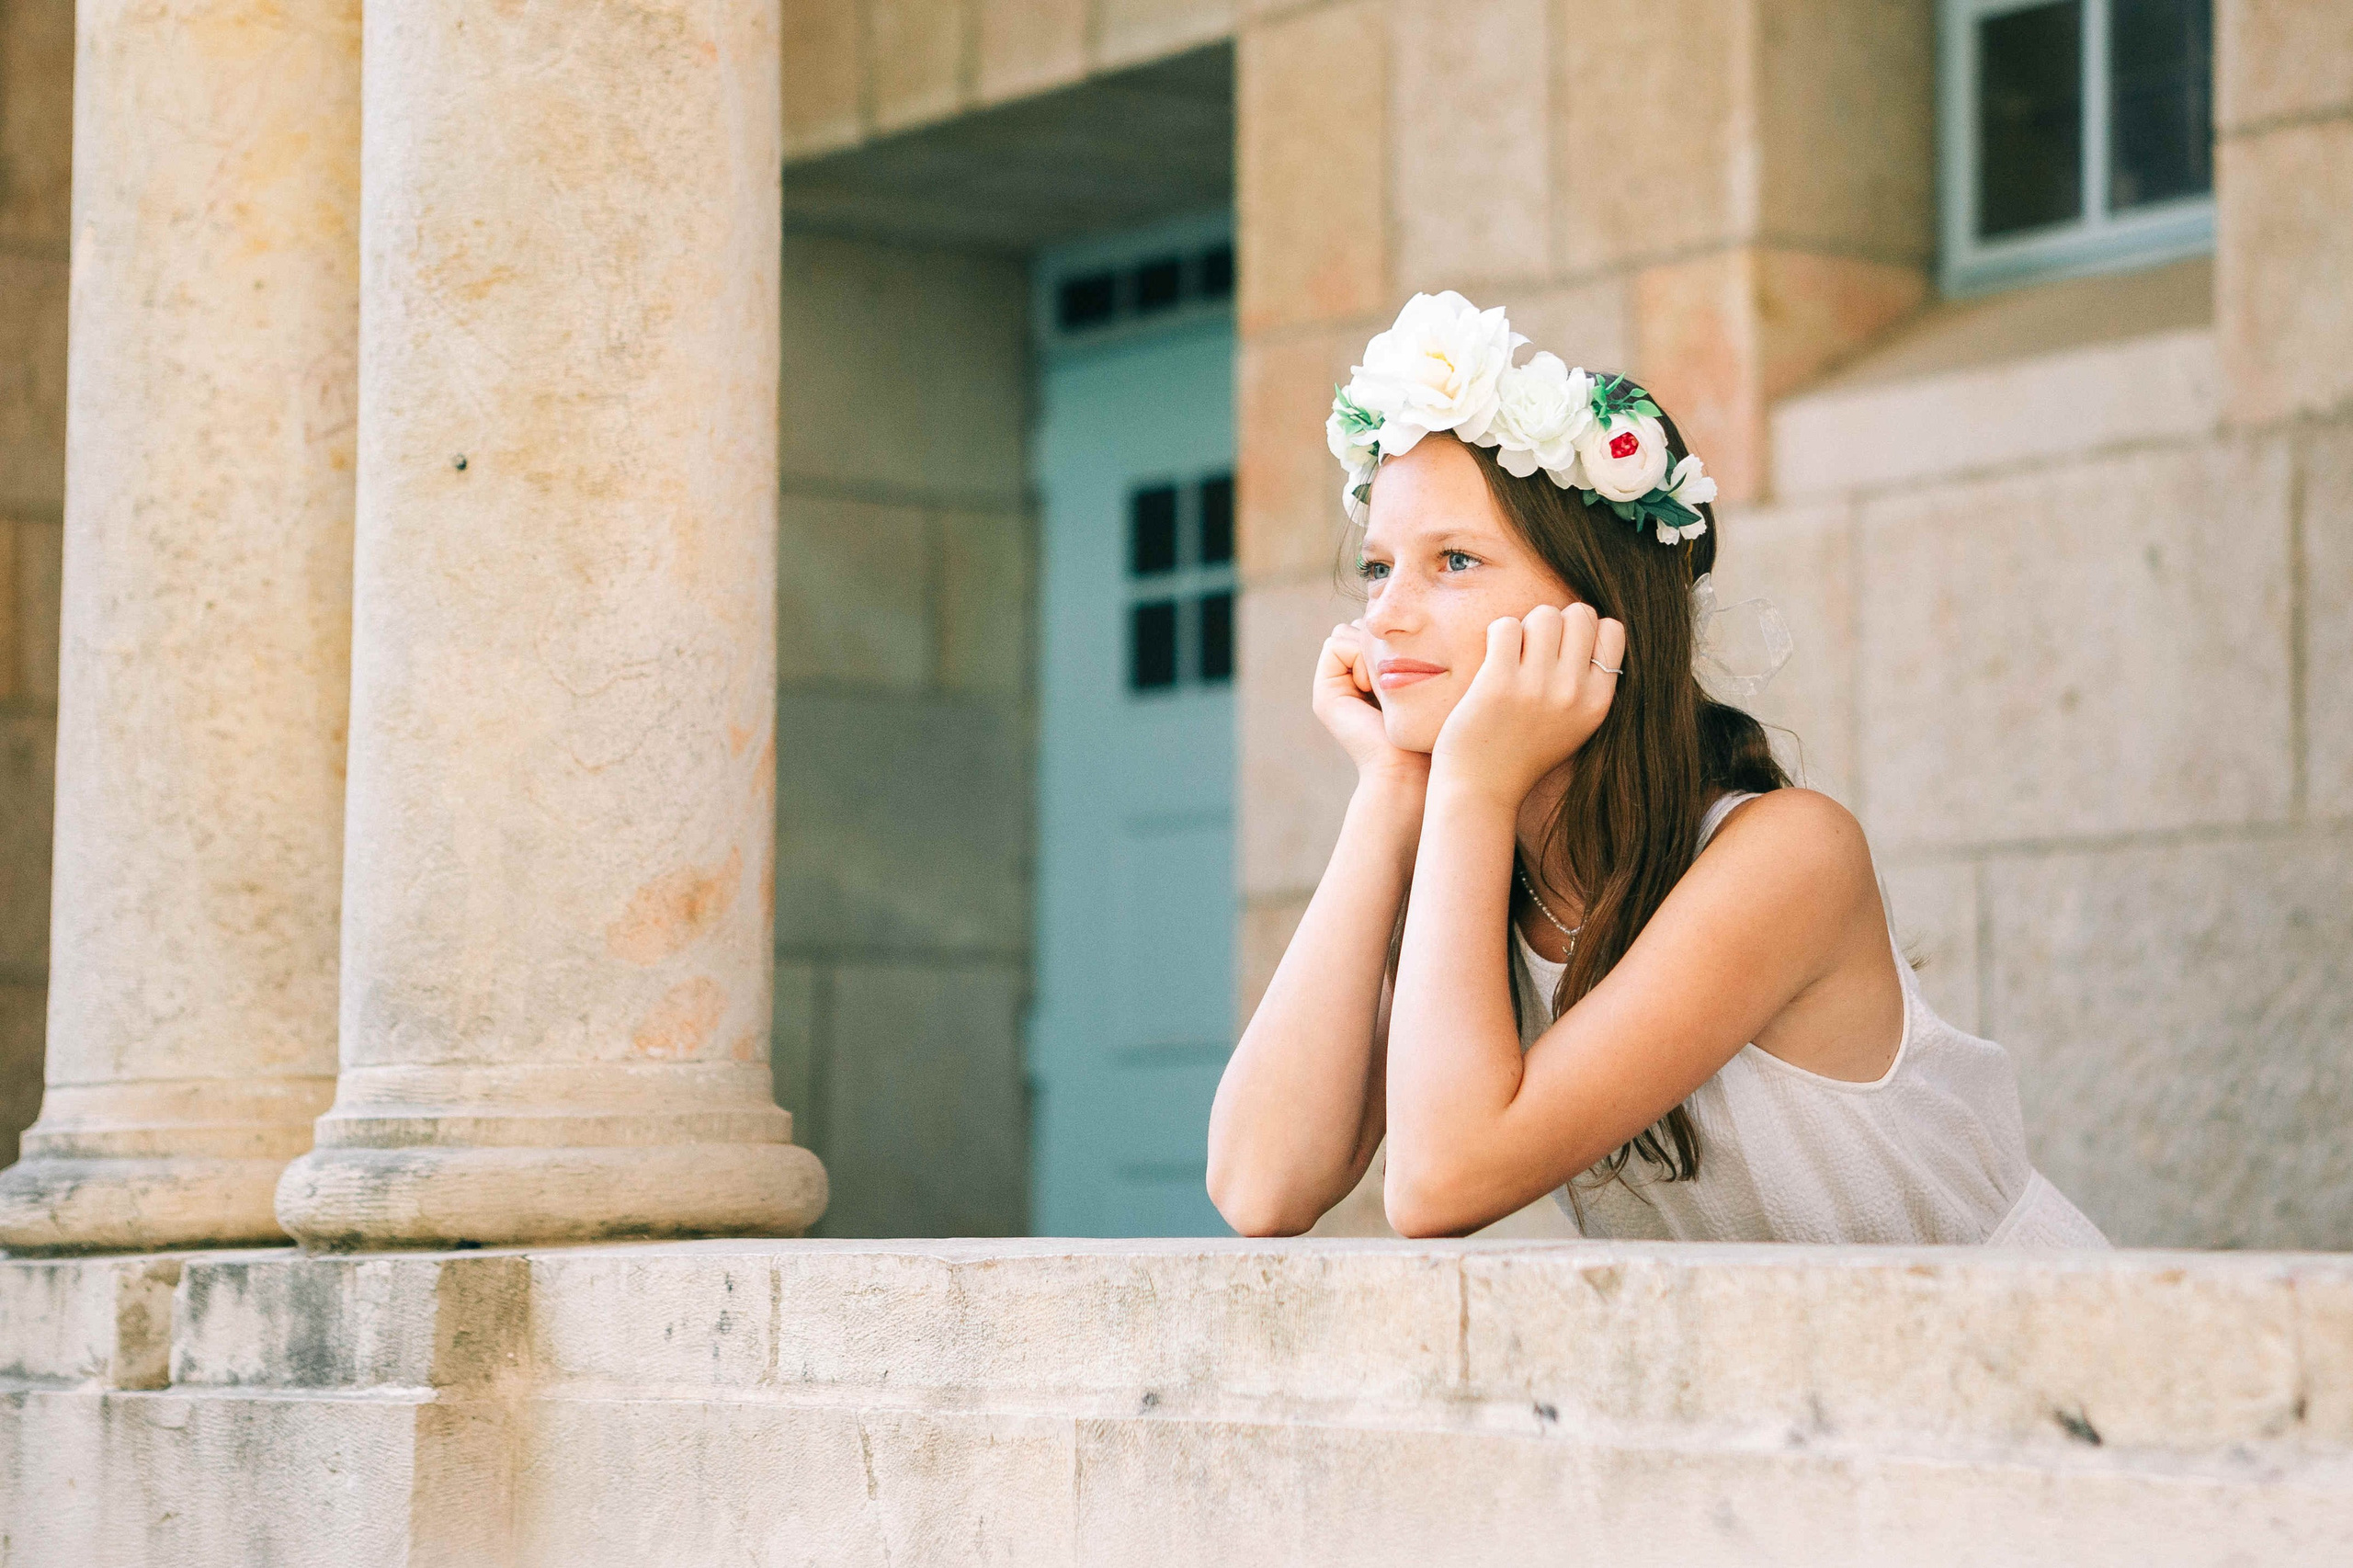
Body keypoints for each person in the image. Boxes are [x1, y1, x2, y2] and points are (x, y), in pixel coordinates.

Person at [1204, 291, 2107, 1247]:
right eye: (1379, 566)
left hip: (2010, 1362)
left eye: (1456, 560)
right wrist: (1390, 789)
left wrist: (1470, 783)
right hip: (1783, 1386)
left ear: (1600, 608)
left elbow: (1438, 1183)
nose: (1384, 614)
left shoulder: (1787, 852)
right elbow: (1262, 1186)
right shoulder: (1476, 873)